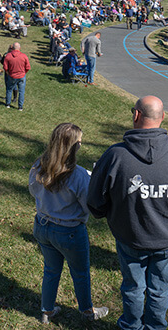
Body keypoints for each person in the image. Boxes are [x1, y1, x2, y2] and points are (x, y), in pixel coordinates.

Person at [87, 96, 168, 330]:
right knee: (159, 290)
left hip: (130, 237)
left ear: (136, 115)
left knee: (133, 288)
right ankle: (155, 327)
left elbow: (94, 202)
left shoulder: (114, 157)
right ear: (162, 118)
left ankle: (131, 325)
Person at [29, 123, 109, 324]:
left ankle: (46, 311)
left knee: (51, 269)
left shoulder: (39, 165)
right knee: (80, 272)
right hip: (70, 232)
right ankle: (87, 311)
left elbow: (33, 191)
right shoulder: (79, 175)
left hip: (42, 225)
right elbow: (91, 206)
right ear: (75, 147)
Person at [3, 42, 30, 111]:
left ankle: (8, 104)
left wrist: (8, 73)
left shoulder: (8, 56)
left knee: (9, 89)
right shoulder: (24, 56)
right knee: (21, 91)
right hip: (21, 76)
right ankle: (20, 107)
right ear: (20, 48)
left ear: (12, 48)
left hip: (12, 75)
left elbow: (5, 67)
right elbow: (28, 67)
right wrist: (24, 73)